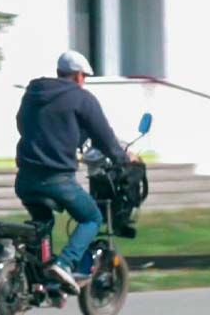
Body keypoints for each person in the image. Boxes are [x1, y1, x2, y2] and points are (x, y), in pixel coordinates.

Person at [13, 50, 132, 294]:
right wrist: (123, 158)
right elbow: (105, 137)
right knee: (92, 218)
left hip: (25, 178)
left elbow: (22, 123)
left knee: (42, 223)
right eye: (84, 77)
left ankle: (38, 282)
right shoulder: (81, 98)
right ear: (78, 75)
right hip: (57, 179)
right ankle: (64, 263)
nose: (84, 81)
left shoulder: (33, 94)